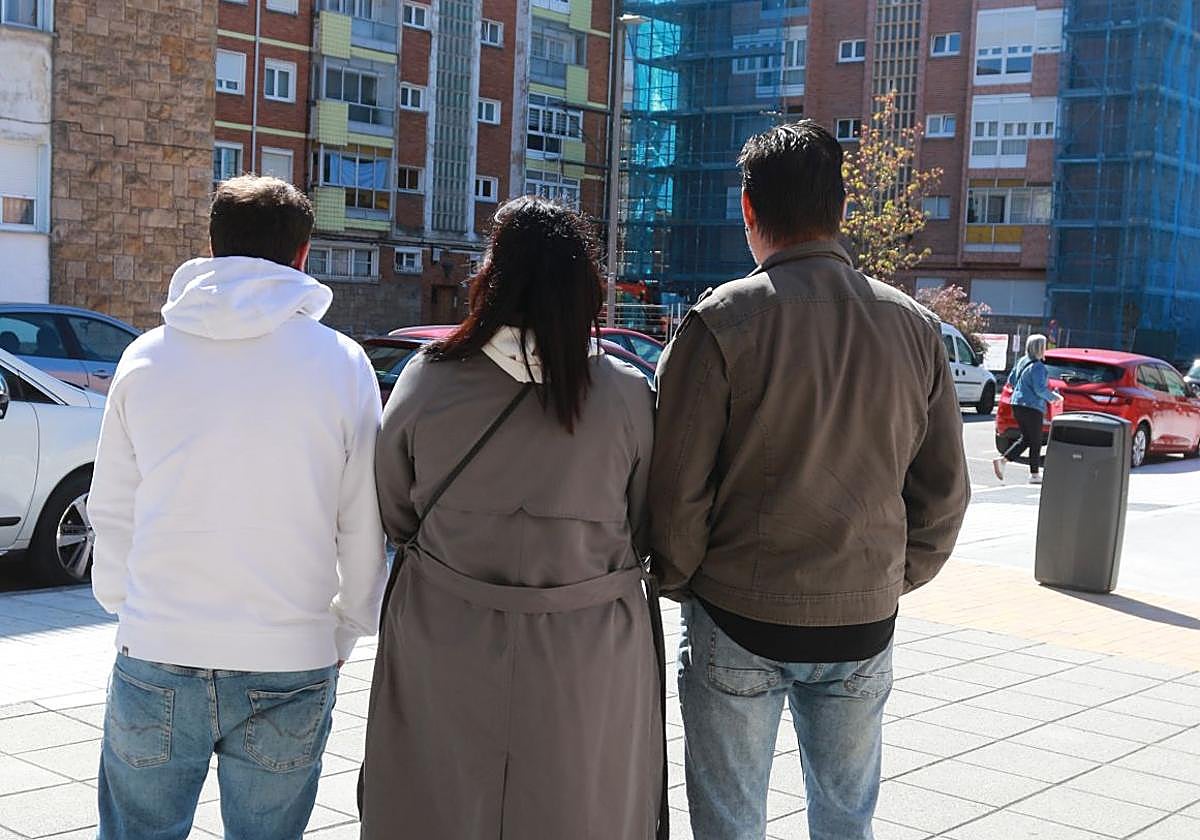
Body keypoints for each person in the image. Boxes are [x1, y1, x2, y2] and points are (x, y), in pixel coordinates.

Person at [649, 121, 970, 840]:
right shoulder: (915, 327)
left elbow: (674, 491)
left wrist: (679, 577)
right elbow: (945, 490)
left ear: (749, 210)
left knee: (730, 822)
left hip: (736, 615)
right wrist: (890, 575)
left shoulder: (719, 321)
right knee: (845, 820)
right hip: (861, 618)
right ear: (841, 211)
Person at [88, 175, 388, 839]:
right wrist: (345, 625)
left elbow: (111, 504)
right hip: (292, 652)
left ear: (214, 247)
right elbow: (363, 518)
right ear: (304, 254)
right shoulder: (342, 364)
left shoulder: (145, 358)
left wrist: (125, 605)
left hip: (158, 646)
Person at [361, 197, 665, 839]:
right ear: (587, 287)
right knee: (581, 808)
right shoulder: (627, 395)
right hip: (588, 653)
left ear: (490, 277)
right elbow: (642, 525)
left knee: (436, 806)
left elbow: (394, 506)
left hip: (446, 636)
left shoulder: (429, 380)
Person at [993, 333, 1062, 485]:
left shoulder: (1022, 361)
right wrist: (1055, 397)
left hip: (1017, 403)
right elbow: (1040, 390)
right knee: (1035, 440)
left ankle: (1003, 460)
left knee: (1027, 438)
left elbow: (1011, 380)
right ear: (1040, 348)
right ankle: (1034, 474)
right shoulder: (1038, 367)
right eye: (1045, 346)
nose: (1046, 349)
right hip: (1032, 406)